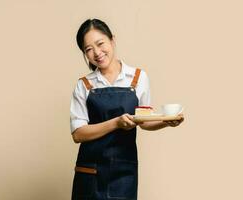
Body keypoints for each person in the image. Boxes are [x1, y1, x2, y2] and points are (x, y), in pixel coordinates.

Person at [70, 18, 184, 200]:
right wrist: (116, 123)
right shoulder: (84, 85)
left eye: (100, 44)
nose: (97, 53)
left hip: (124, 172)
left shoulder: (138, 78)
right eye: (89, 49)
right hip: (90, 171)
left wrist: (166, 121)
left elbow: (144, 121)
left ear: (112, 40)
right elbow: (78, 134)